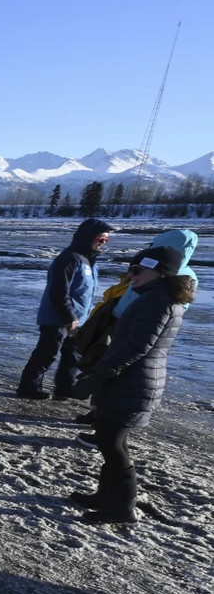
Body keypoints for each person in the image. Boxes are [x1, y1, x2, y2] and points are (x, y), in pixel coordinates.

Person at [67, 246, 194, 525]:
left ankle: (122, 508)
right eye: (130, 269)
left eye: (137, 270)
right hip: (131, 381)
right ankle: (105, 496)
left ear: (160, 272)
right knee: (108, 439)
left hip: (134, 383)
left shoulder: (158, 302)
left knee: (112, 444)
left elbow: (136, 347)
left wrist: (98, 375)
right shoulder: (157, 297)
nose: (130, 275)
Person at [72, 228, 200, 424]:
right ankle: (102, 415)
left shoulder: (160, 278)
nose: (132, 275)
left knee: (114, 368)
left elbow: (138, 318)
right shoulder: (177, 274)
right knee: (113, 368)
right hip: (137, 325)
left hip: (131, 325)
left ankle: (105, 419)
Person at [16, 217, 116, 400]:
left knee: (73, 354)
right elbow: (59, 290)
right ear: (88, 237)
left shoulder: (89, 261)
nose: (103, 243)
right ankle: (28, 387)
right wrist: (69, 316)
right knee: (47, 352)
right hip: (57, 317)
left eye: (106, 240)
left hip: (79, 318)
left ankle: (65, 387)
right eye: (101, 238)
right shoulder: (69, 258)